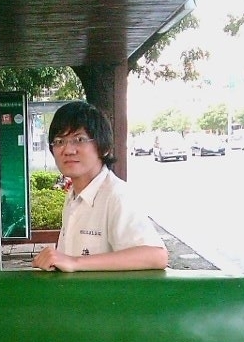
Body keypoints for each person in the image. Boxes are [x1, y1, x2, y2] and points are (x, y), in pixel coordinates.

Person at [32, 101, 168, 272]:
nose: (68, 150)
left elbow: (156, 256)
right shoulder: (74, 195)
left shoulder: (116, 196)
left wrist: (75, 262)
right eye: (59, 141)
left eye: (79, 139)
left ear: (104, 148)